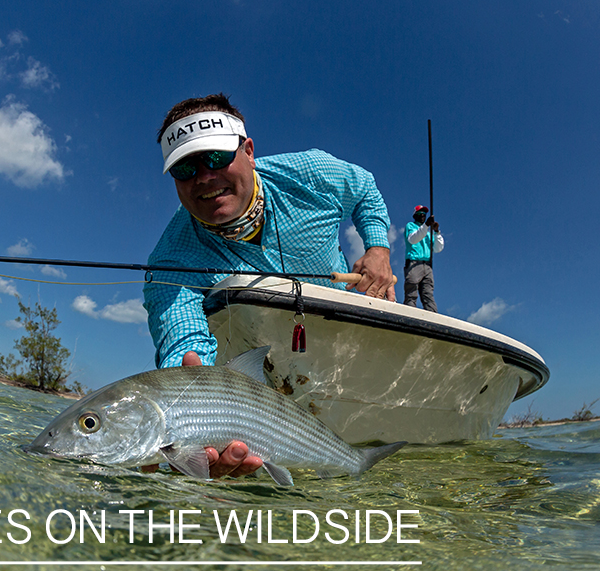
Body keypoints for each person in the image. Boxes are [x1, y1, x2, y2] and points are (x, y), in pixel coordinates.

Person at [141, 93, 396, 477]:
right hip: (258, 392)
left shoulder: (310, 173)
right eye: (185, 168)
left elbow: (364, 189)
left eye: (215, 157)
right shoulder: (170, 261)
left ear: (248, 150)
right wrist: (191, 416)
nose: (205, 177)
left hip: (342, 335)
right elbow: (183, 346)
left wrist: (377, 247)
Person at [403, 205, 443, 312]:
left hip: (427, 266)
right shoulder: (410, 226)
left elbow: (438, 248)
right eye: (420, 214)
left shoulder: (429, 233)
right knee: (411, 292)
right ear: (414, 215)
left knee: (428, 294)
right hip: (414, 263)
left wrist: (436, 232)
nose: (422, 216)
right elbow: (413, 239)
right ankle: (409, 314)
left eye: (424, 215)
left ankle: (433, 319)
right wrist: (426, 226)